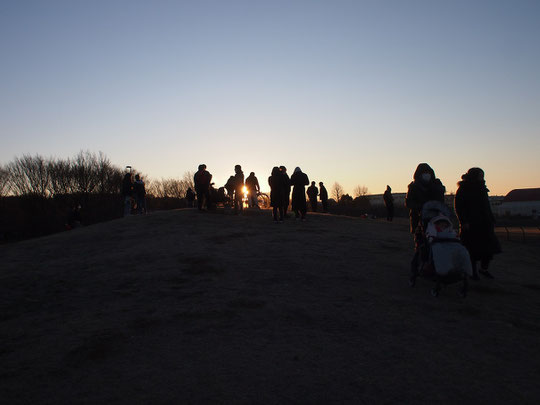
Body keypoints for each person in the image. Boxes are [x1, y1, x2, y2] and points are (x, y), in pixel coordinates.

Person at [455, 167, 501, 279]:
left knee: (489, 249)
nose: (482, 178)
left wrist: (491, 219)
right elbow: (459, 207)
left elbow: (486, 207)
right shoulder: (464, 189)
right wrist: (464, 221)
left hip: (485, 224)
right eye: (480, 176)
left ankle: (483, 269)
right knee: (472, 250)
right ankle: (473, 271)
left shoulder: (482, 188)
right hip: (471, 224)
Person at [405, 163, 445, 233]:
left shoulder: (436, 185)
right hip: (418, 217)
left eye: (428, 172)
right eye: (424, 173)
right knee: (420, 239)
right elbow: (408, 202)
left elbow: (441, 201)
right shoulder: (413, 187)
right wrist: (421, 207)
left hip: (435, 217)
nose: (427, 175)